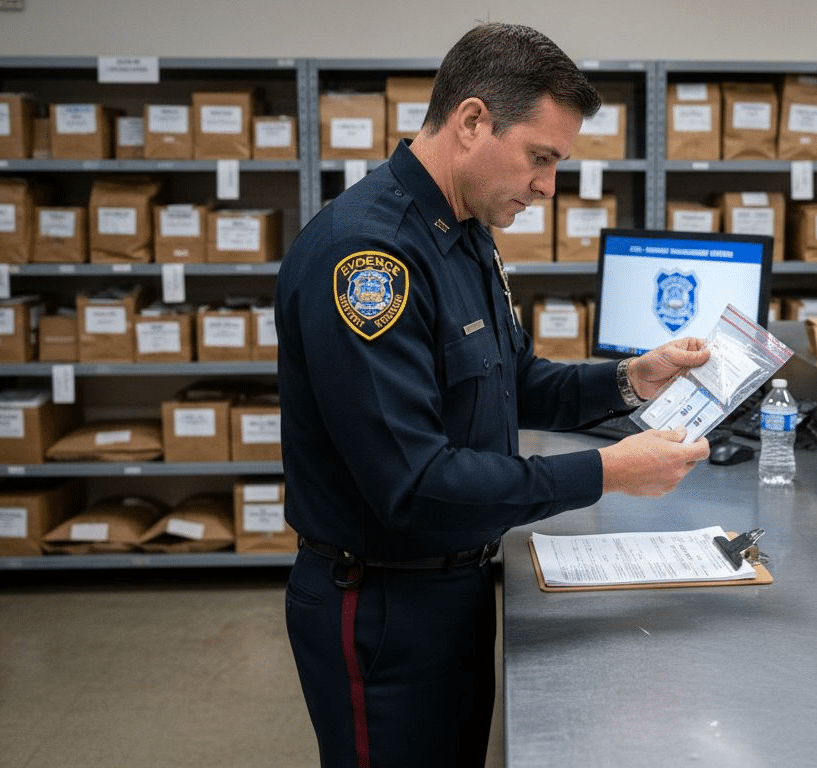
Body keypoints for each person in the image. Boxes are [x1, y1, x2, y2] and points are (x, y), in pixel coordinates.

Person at [276, 22, 711, 768]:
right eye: (540, 157)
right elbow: (412, 484)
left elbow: (511, 382)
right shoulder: (369, 260)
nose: (548, 185)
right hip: (383, 607)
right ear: (473, 121)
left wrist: (632, 378)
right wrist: (607, 473)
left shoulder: (464, 227)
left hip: (458, 587)